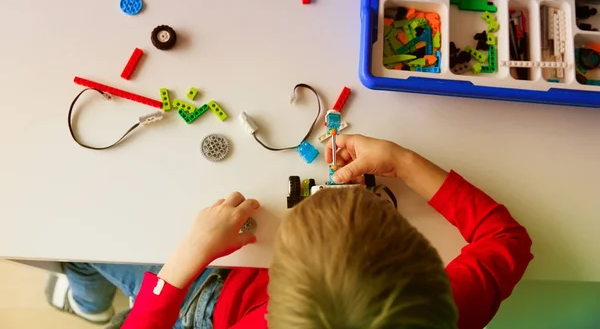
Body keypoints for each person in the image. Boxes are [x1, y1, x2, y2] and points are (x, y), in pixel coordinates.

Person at [46, 135, 533, 329]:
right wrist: (403, 162)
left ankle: (89, 309)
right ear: (429, 270)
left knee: (74, 248)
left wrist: (188, 257)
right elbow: (507, 239)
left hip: (202, 304)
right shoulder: (437, 312)